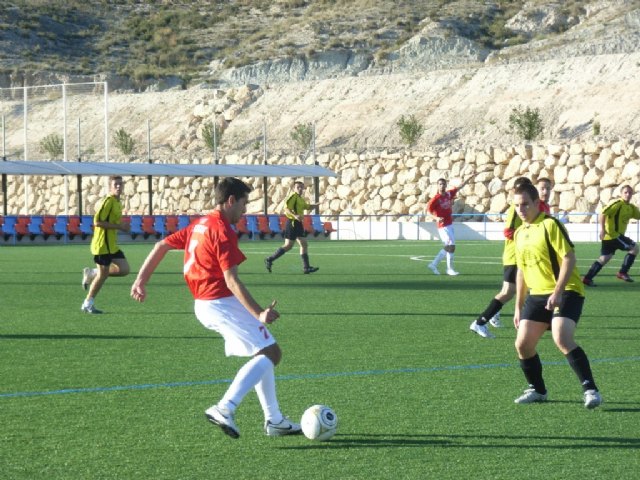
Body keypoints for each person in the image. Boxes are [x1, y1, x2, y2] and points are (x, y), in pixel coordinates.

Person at [131, 177, 301, 439]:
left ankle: (275, 420)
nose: (245, 212)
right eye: (244, 204)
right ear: (231, 200)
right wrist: (259, 313)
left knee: (265, 351)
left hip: (207, 303)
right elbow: (231, 280)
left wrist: (141, 280)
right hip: (218, 301)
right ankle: (225, 407)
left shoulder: (200, 224)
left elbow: (161, 245)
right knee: (271, 354)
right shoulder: (221, 230)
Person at [511, 182, 601, 409]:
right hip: (538, 294)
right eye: (516, 206)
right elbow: (521, 270)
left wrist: (558, 291)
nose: (520, 210)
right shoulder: (519, 233)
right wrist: (518, 306)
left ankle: (590, 389)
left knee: (561, 337)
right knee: (522, 344)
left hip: (567, 290)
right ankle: (538, 390)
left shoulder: (550, 225)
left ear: (536, 203)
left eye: (524, 205)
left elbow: (569, 258)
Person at [81, 175, 131, 314]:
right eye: (116, 184)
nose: (119, 187)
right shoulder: (107, 201)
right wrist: (120, 227)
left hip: (112, 245)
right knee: (103, 276)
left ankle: (92, 272)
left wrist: (120, 226)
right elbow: (97, 222)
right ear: (109, 187)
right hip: (102, 245)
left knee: (124, 269)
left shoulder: (117, 202)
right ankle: (87, 303)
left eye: (121, 184)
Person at [582, 184, 640, 286]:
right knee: (634, 248)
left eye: (630, 192)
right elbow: (602, 214)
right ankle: (623, 272)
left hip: (612, 237)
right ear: (621, 194)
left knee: (605, 258)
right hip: (613, 235)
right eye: (625, 192)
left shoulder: (631, 207)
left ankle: (587, 278)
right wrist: (602, 230)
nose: (628, 194)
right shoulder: (616, 203)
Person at [265, 180, 319, 274]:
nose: (300, 189)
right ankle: (270, 259)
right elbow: (286, 209)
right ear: (294, 188)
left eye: (302, 187)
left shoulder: (300, 198)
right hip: (292, 223)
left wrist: (316, 205)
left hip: (298, 224)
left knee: (304, 244)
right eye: (298, 187)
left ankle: (306, 268)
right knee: (288, 246)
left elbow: (307, 207)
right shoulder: (292, 196)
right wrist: (295, 216)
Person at [426, 175, 475, 276]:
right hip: (442, 225)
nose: (442, 185)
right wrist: (436, 218)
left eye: (443, 184)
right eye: (440, 184)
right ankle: (449, 269)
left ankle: (434, 264)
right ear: (437, 186)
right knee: (451, 245)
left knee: (449, 246)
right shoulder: (435, 199)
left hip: (449, 224)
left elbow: (461, 186)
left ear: (446, 185)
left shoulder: (449, 194)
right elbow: (428, 212)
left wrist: (470, 176)